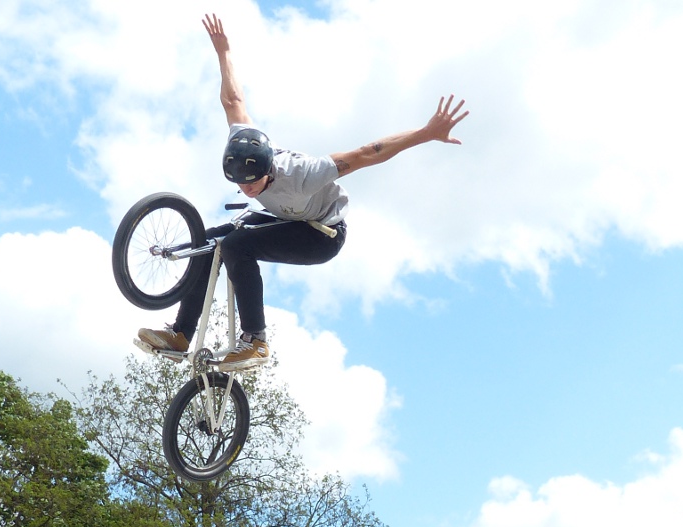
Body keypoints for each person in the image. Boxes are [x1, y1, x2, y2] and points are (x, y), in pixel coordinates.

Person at [136, 14, 469, 372]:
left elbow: (366, 153)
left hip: (322, 234)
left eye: (252, 184)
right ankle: (181, 335)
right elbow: (233, 100)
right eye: (239, 184)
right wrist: (224, 51)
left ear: (268, 170)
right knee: (207, 240)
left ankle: (256, 341)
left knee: (236, 246)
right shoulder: (243, 142)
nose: (246, 189)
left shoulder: (304, 174)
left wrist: (425, 133)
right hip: (286, 217)